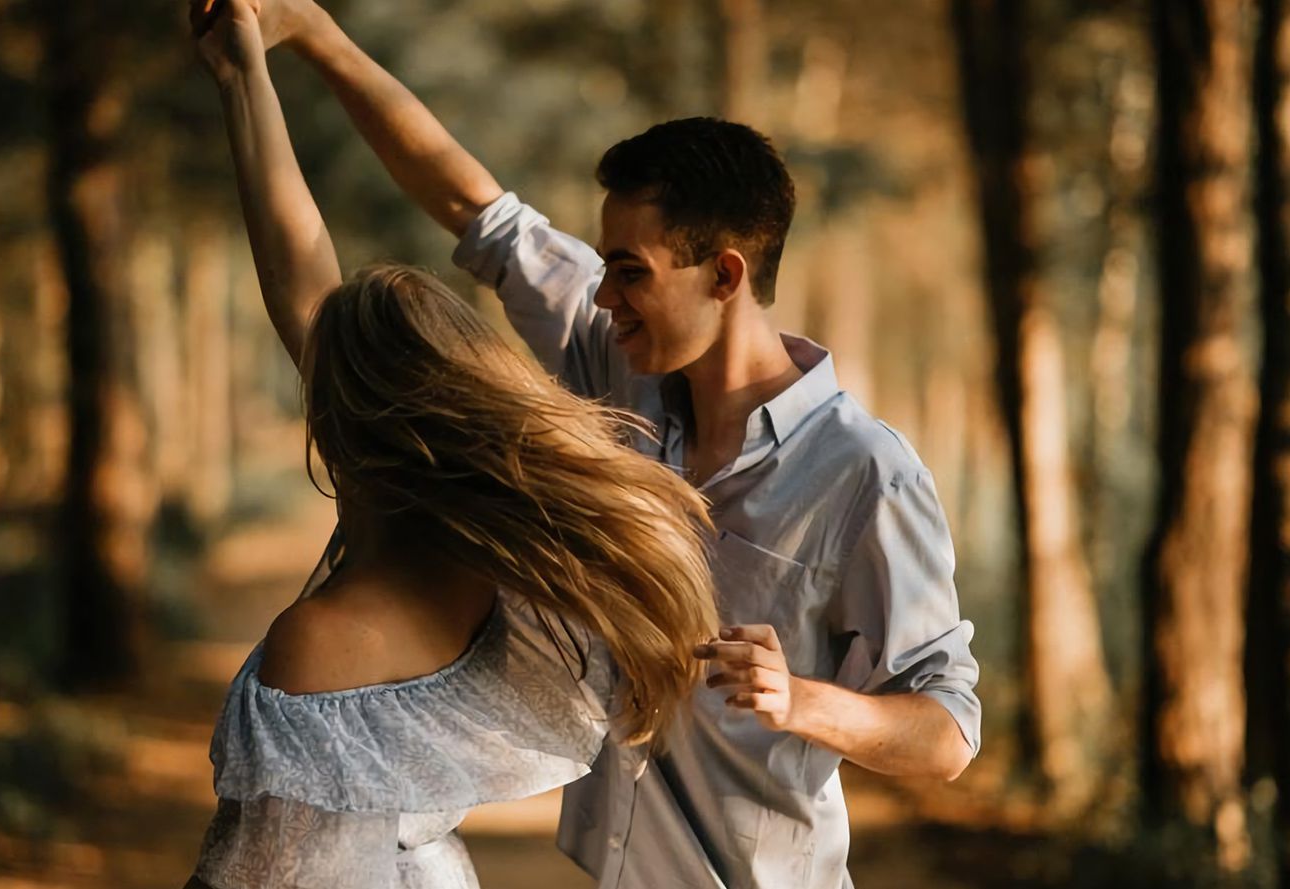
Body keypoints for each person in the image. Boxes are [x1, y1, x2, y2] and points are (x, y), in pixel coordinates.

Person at [244, 3, 985, 888]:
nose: (603, 299)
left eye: (631, 272)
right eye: (603, 270)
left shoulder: (866, 473)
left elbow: (949, 733)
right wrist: (314, 36)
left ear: (726, 274)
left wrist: (804, 702)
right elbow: (472, 207)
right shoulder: (617, 367)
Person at [183, 2, 722, 886]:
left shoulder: (318, 644)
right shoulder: (513, 586)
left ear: (342, 418)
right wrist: (247, 77)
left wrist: (258, 69)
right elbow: (304, 279)